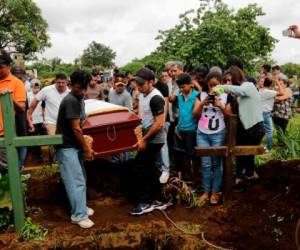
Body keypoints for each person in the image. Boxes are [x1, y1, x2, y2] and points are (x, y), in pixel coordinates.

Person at [213, 66, 265, 191]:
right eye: (226, 81)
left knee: (243, 154)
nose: (228, 83)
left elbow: (238, 90)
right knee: (246, 155)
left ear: (236, 78)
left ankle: (243, 180)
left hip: (254, 128)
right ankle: (250, 177)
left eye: (230, 80)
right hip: (249, 128)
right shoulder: (240, 93)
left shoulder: (248, 86)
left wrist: (221, 87)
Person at [55, 70, 95, 229]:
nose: (83, 91)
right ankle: (78, 216)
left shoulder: (80, 99)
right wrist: (86, 148)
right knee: (75, 181)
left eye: (85, 88)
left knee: (81, 178)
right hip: (67, 147)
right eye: (79, 88)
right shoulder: (71, 100)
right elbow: (76, 129)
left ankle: (81, 207)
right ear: (72, 85)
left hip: (75, 145)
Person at [129, 68, 167, 215]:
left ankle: (146, 202)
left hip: (155, 139)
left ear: (151, 82)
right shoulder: (142, 94)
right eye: (137, 84)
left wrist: (144, 140)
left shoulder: (156, 98)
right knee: (149, 167)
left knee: (140, 167)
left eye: (142, 84)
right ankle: (158, 199)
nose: (138, 87)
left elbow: (159, 124)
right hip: (146, 136)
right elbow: (141, 114)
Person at [193, 71, 229, 204]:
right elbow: (195, 114)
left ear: (221, 84)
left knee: (217, 164)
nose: (213, 88)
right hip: (202, 133)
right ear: (207, 84)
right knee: (205, 164)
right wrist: (203, 103)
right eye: (210, 85)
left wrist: (221, 106)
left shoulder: (226, 96)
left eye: (216, 85)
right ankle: (206, 192)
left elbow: (229, 118)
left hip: (219, 133)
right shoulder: (200, 95)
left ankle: (215, 192)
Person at [0, 50, 26, 171]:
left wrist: (8, 97)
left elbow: (21, 107)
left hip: (5, 133)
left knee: (9, 171)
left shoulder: (16, 83)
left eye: (1, 67)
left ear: (9, 66)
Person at [169, 73, 198, 181]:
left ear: (190, 85)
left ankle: (195, 178)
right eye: (179, 87)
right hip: (181, 129)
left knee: (193, 155)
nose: (181, 89)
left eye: (183, 87)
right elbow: (171, 100)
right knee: (183, 154)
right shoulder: (180, 97)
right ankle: (188, 177)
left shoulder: (196, 95)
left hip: (192, 130)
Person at [145, 64, 170, 184]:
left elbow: (164, 105)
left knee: (163, 146)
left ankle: (166, 170)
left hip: (162, 120)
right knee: (154, 148)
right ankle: (157, 168)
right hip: (150, 122)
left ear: (154, 73)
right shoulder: (144, 88)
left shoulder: (162, 86)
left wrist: (162, 122)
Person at [258, 75, 284, 150]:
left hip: (259, 113)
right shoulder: (270, 92)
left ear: (264, 83)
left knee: (260, 130)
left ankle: (258, 146)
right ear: (271, 84)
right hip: (266, 114)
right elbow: (282, 93)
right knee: (269, 131)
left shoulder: (260, 91)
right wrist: (277, 82)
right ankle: (269, 148)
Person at [27, 79, 45, 163]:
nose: (36, 89)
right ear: (31, 87)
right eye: (34, 87)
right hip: (32, 120)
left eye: (38, 87)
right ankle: (38, 156)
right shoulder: (28, 95)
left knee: (43, 138)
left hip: (41, 120)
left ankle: (45, 156)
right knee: (34, 139)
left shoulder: (43, 95)